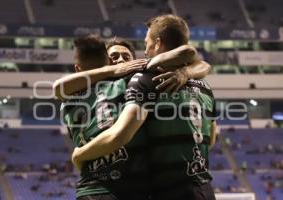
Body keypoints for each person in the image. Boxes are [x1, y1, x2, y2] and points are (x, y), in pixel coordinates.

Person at [71, 14, 216, 200]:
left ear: (157, 43)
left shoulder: (147, 78)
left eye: (147, 43)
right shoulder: (204, 86)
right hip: (204, 188)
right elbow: (210, 139)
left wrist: (79, 155)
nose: (146, 51)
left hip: (168, 190)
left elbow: (120, 134)